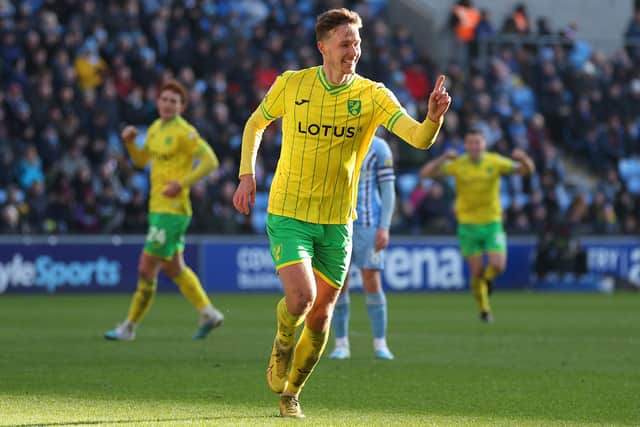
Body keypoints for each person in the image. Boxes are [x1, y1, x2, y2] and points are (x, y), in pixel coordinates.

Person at [232, 8, 451, 418]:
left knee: (322, 314)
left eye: (357, 43)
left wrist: (433, 119)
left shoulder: (372, 94)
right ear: (323, 47)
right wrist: (247, 175)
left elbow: (418, 138)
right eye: (346, 43)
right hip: (289, 211)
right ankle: (282, 341)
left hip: (338, 222)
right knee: (301, 298)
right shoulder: (292, 84)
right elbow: (254, 125)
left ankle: (291, 393)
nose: (354, 51)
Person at [104, 79, 224, 341]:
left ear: (182, 106)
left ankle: (129, 327)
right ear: (158, 102)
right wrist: (130, 144)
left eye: (174, 101)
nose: (168, 104)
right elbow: (141, 160)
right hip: (158, 208)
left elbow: (210, 161)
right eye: (165, 99)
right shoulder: (156, 129)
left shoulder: (185, 132)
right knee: (173, 268)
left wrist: (181, 184)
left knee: (146, 269)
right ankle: (208, 312)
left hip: (173, 210)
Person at [419, 129, 534, 323]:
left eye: (477, 143)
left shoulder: (495, 161)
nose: (474, 146)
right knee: (477, 272)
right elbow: (425, 174)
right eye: (470, 143)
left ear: (484, 144)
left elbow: (527, 170)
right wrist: (443, 157)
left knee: (497, 266)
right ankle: (484, 309)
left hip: (492, 223)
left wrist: (524, 159)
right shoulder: (458, 164)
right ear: (465, 146)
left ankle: (488, 282)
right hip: (468, 225)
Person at [328, 135, 396, 361]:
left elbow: (388, 190)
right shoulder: (338, 139)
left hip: (368, 224)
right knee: (338, 284)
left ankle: (380, 344)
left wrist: (384, 227)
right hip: (338, 222)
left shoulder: (379, 147)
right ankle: (341, 345)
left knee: (372, 281)